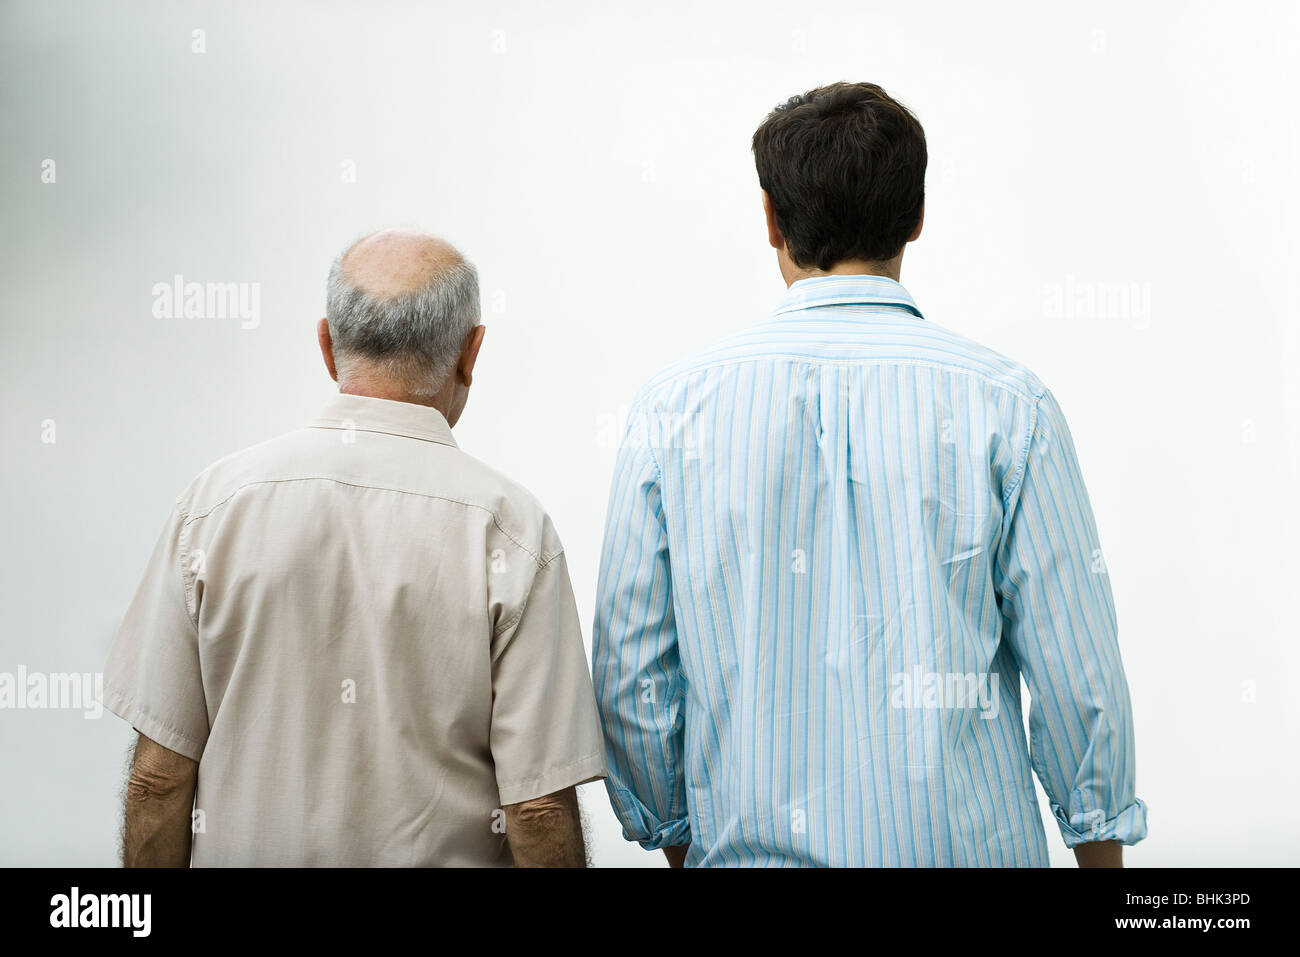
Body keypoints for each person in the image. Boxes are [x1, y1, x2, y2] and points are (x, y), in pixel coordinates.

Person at [592, 82, 1147, 867]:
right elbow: (1077, 668)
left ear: (771, 220)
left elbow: (632, 669)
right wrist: (1100, 842)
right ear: (917, 217)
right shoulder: (1008, 405)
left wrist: (674, 834)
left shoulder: (672, 410)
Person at [104, 228, 605, 867]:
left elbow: (160, 777)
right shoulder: (510, 529)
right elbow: (536, 809)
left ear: (327, 346)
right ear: (470, 352)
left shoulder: (215, 507)